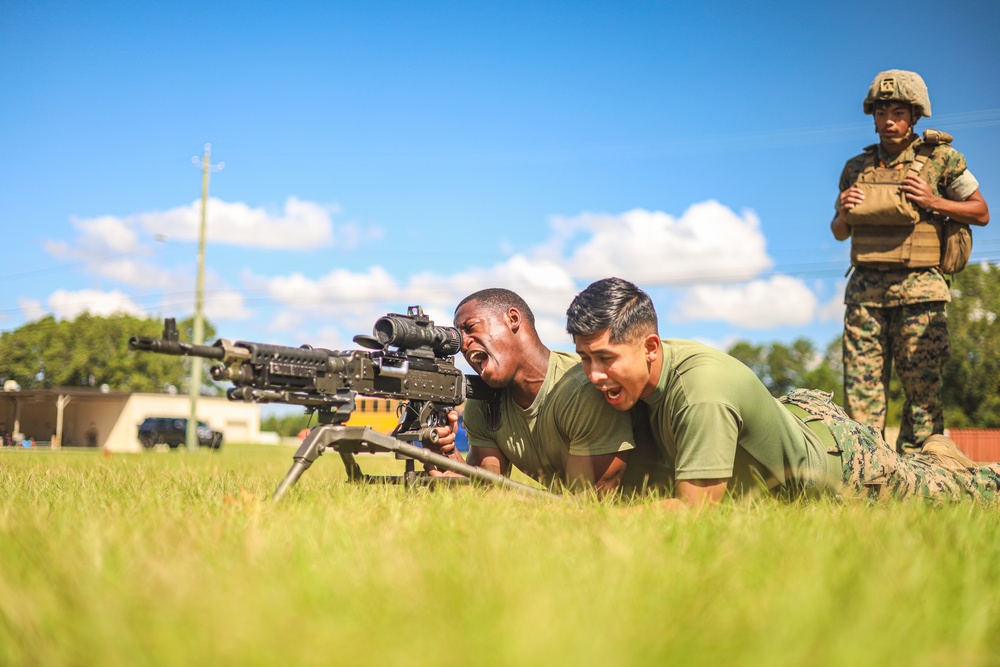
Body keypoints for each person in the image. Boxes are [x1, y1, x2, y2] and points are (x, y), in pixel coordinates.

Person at [566, 277, 1000, 508]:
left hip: (847, 465)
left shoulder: (701, 392)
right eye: (584, 359)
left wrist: (601, 525)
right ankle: (934, 456)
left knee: (972, 495)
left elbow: (695, 515)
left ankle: (952, 468)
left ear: (651, 347)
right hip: (797, 420)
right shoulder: (644, 375)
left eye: (605, 358)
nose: (593, 374)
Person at [830, 70, 990, 454]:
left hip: (920, 293)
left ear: (915, 115)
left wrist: (933, 201)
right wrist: (845, 212)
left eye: (898, 111)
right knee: (860, 395)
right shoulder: (857, 167)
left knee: (922, 394)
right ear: (872, 115)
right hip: (865, 295)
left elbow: (980, 211)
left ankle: (921, 478)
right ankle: (866, 473)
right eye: (881, 111)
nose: (889, 121)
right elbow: (838, 232)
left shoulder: (941, 159)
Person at [430, 287, 670, 495]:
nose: (463, 343)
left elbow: (594, 501)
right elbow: (488, 488)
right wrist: (446, 453)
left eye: (470, 328)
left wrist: (510, 501)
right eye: (459, 336)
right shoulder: (484, 400)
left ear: (513, 318)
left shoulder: (583, 389)